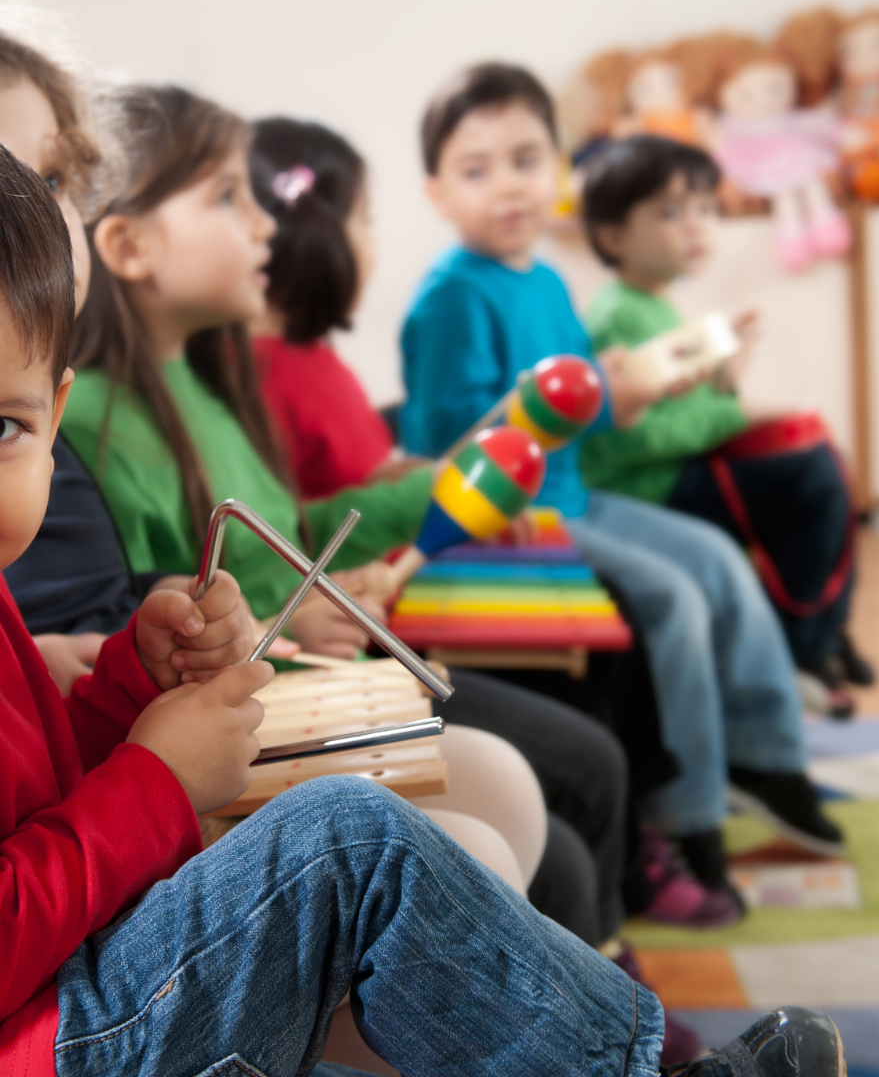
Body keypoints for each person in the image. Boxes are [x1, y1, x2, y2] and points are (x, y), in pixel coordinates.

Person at [0, 139, 847, 1077]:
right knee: (349, 838)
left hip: (76, 984)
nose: (267, 226)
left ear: (54, 413)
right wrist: (156, 778)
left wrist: (130, 693)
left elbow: (32, 798)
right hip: (56, 1036)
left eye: (3, 427)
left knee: (479, 793)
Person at [0, 23, 549, 903]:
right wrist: (232, 678)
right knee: (489, 823)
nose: (269, 226)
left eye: (58, 182)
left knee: (508, 795)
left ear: (49, 408)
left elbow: (64, 738)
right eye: (230, 197)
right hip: (123, 875)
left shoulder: (199, 395)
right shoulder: (99, 422)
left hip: (154, 775)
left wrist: (148, 664)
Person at [246, 113, 735, 934]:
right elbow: (307, 518)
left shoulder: (318, 360)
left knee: (616, 637)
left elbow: (362, 471)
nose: (374, 238)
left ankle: (647, 839)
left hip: (402, 577)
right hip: (383, 609)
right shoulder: (277, 369)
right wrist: (446, 473)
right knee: (607, 659)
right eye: (367, 219)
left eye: (525, 159)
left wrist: (414, 475)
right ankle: (632, 874)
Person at [400, 63, 844, 894]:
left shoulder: (549, 279)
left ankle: (766, 756)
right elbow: (451, 444)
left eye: (528, 159)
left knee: (715, 557)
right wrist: (602, 392)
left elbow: (588, 402)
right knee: (673, 596)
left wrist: (647, 383)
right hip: (516, 519)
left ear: (560, 170)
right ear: (437, 192)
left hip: (574, 497)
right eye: (476, 168)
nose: (508, 185)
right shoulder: (452, 298)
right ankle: (689, 810)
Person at [577, 134, 875, 708]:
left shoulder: (656, 304)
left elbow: (683, 408)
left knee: (821, 464)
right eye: (671, 212)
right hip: (646, 487)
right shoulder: (618, 315)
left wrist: (725, 377)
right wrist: (736, 410)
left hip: (675, 472)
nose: (696, 226)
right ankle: (804, 643)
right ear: (614, 235)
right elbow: (635, 438)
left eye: (706, 209)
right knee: (812, 476)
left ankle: (821, 632)